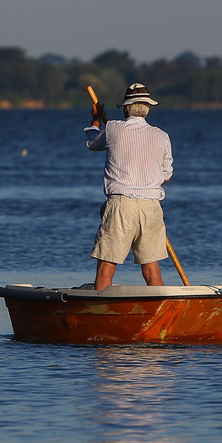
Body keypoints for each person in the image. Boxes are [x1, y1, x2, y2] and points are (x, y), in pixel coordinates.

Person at [84, 82, 173, 290]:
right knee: (152, 270)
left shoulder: (113, 128)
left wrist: (96, 120)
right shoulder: (162, 136)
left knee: (106, 267)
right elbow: (166, 176)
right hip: (151, 207)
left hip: (121, 207)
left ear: (125, 108)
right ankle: (160, 313)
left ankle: (101, 312)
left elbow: (92, 143)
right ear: (148, 108)